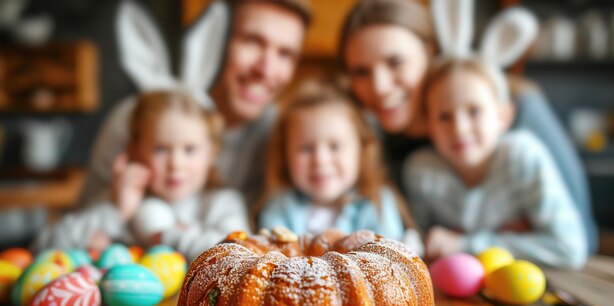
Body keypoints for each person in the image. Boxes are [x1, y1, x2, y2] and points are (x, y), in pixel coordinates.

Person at [339, 0, 598, 253]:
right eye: (361, 72)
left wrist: (476, 243)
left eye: (395, 62)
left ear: (431, 52)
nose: (379, 86)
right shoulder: (372, 141)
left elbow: (580, 237)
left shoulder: (518, 110)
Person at [402, 4, 587, 268]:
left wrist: (466, 244)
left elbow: (569, 247)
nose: (460, 128)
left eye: (474, 111)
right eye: (444, 117)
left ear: (503, 116)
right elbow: (420, 243)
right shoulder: (421, 171)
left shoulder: (523, 155)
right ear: (428, 124)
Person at [79, 0, 311, 209]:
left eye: (285, 54)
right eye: (252, 42)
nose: (266, 70)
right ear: (214, 42)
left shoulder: (278, 133)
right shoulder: (138, 119)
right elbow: (82, 234)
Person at [34, 91, 249, 262]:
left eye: (190, 150)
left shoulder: (221, 203)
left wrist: (165, 235)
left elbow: (240, 256)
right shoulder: (121, 201)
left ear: (212, 154)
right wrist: (116, 212)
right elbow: (41, 249)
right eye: (161, 149)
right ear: (135, 150)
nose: (176, 163)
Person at [257, 80, 421, 251]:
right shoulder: (279, 208)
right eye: (306, 148)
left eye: (335, 146)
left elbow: (389, 259)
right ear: (285, 155)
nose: (320, 159)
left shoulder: (377, 203)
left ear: (361, 150)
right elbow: (271, 259)